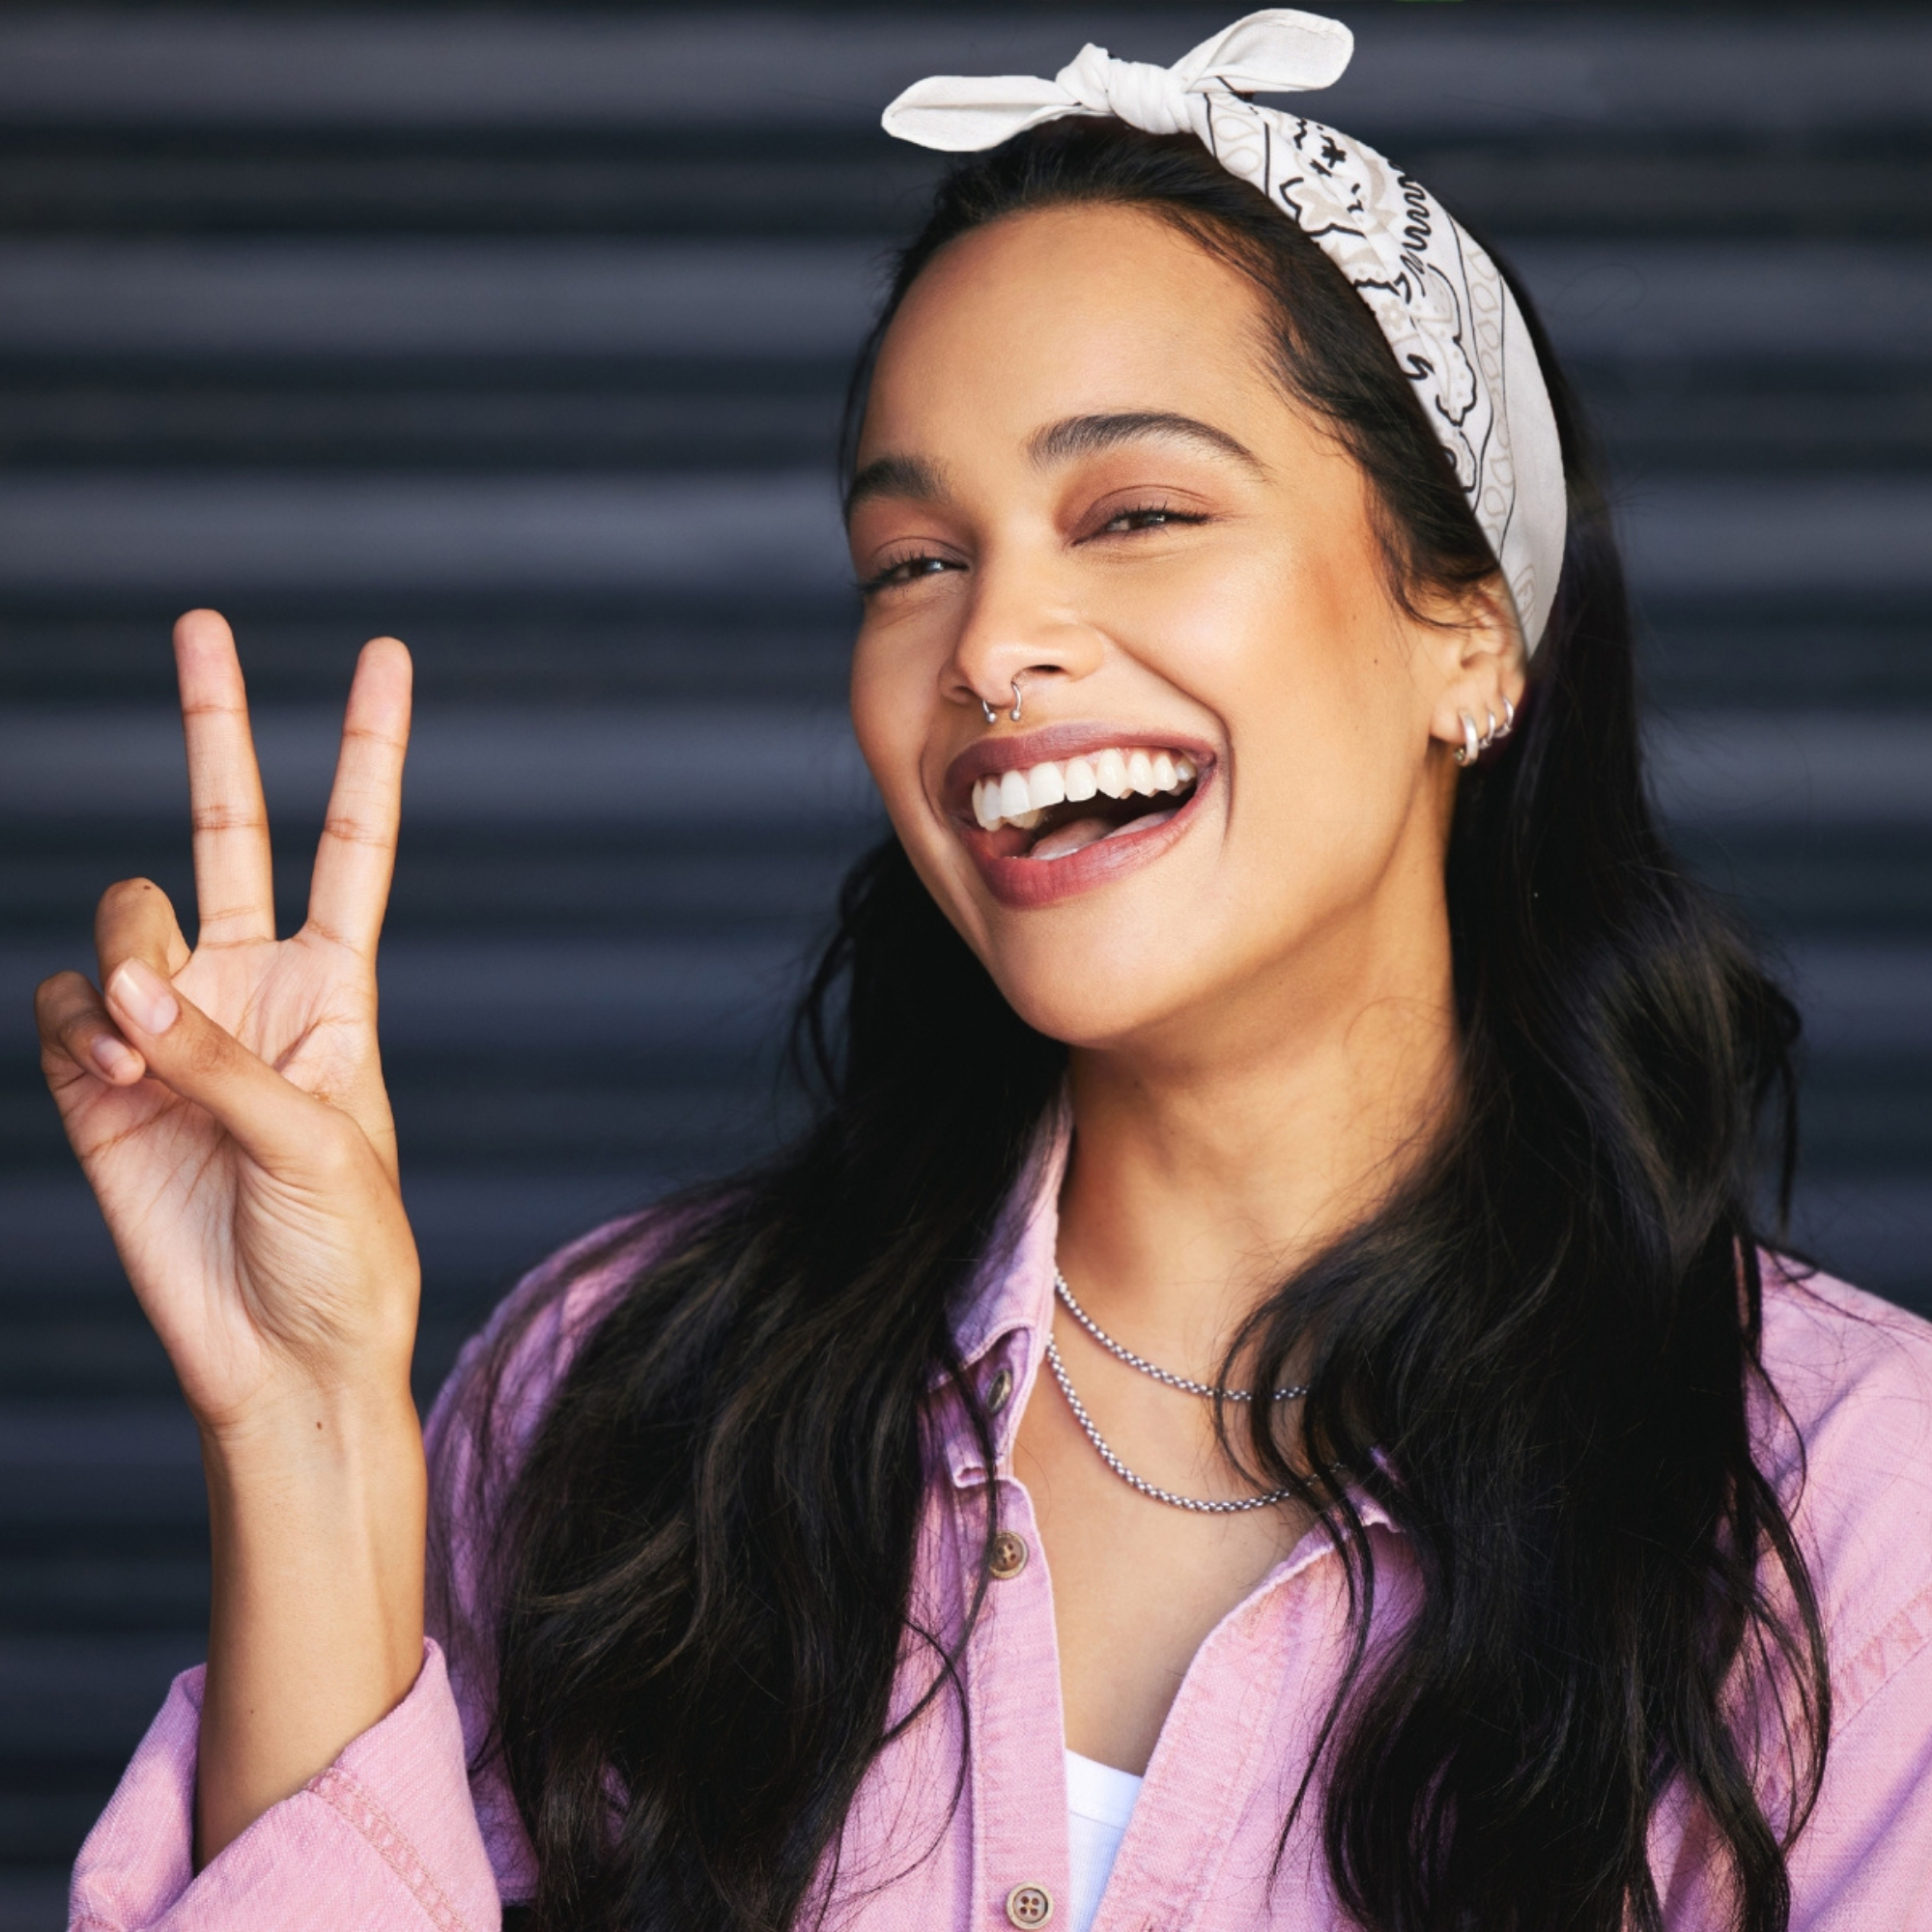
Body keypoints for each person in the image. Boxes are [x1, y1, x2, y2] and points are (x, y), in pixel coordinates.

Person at [39, 14, 1932, 1932]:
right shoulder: (617, 1398)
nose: (992, 642)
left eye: (1137, 514)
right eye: (911, 561)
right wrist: (300, 1430)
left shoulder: (1858, 1513)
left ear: (1470, 629)